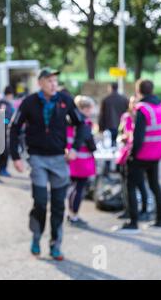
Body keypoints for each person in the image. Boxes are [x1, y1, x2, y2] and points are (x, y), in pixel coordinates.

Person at [10, 68, 84, 261]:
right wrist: (15, 156)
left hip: (60, 159)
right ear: (40, 83)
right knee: (41, 202)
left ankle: (55, 245)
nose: (53, 84)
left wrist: (75, 147)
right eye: (49, 81)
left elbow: (81, 124)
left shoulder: (65, 100)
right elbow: (14, 127)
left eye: (55, 81)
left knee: (59, 205)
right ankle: (36, 238)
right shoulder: (29, 102)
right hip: (37, 159)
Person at [117, 80, 161, 233]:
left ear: (138, 91)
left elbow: (138, 137)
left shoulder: (143, 109)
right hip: (157, 154)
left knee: (130, 186)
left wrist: (131, 155)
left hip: (141, 155)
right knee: (154, 185)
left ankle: (133, 222)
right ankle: (159, 220)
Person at [116, 96, 149, 220]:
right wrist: (122, 137)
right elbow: (120, 133)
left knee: (140, 184)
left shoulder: (142, 116)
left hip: (138, 154)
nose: (134, 105)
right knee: (126, 184)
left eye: (136, 103)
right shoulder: (126, 117)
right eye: (132, 103)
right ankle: (128, 210)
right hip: (125, 154)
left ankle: (144, 210)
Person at [66, 96, 97, 227]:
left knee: (73, 188)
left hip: (71, 160)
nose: (91, 112)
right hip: (83, 160)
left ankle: (71, 212)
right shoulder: (85, 124)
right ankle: (75, 215)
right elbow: (91, 144)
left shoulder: (68, 122)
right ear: (83, 109)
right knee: (79, 189)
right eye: (90, 109)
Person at [98, 82, 129, 177]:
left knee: (108, 149)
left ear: (110, 88)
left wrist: (100, 127)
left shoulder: (106, 100)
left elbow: (102, 115)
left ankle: (107, 169)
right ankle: (118, 167)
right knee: (118, 148)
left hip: (109, 127)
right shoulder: (124, 99)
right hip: (120, 127)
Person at [0, 86, 16, 177]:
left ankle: (3, 168)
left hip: (7, 130)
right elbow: (1, 117)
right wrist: (7, 122)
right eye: (11, 95)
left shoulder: (9, 103)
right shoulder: (3, 104)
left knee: (6, 150)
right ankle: (2, 169)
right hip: (3, 130)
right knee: (4, 151)